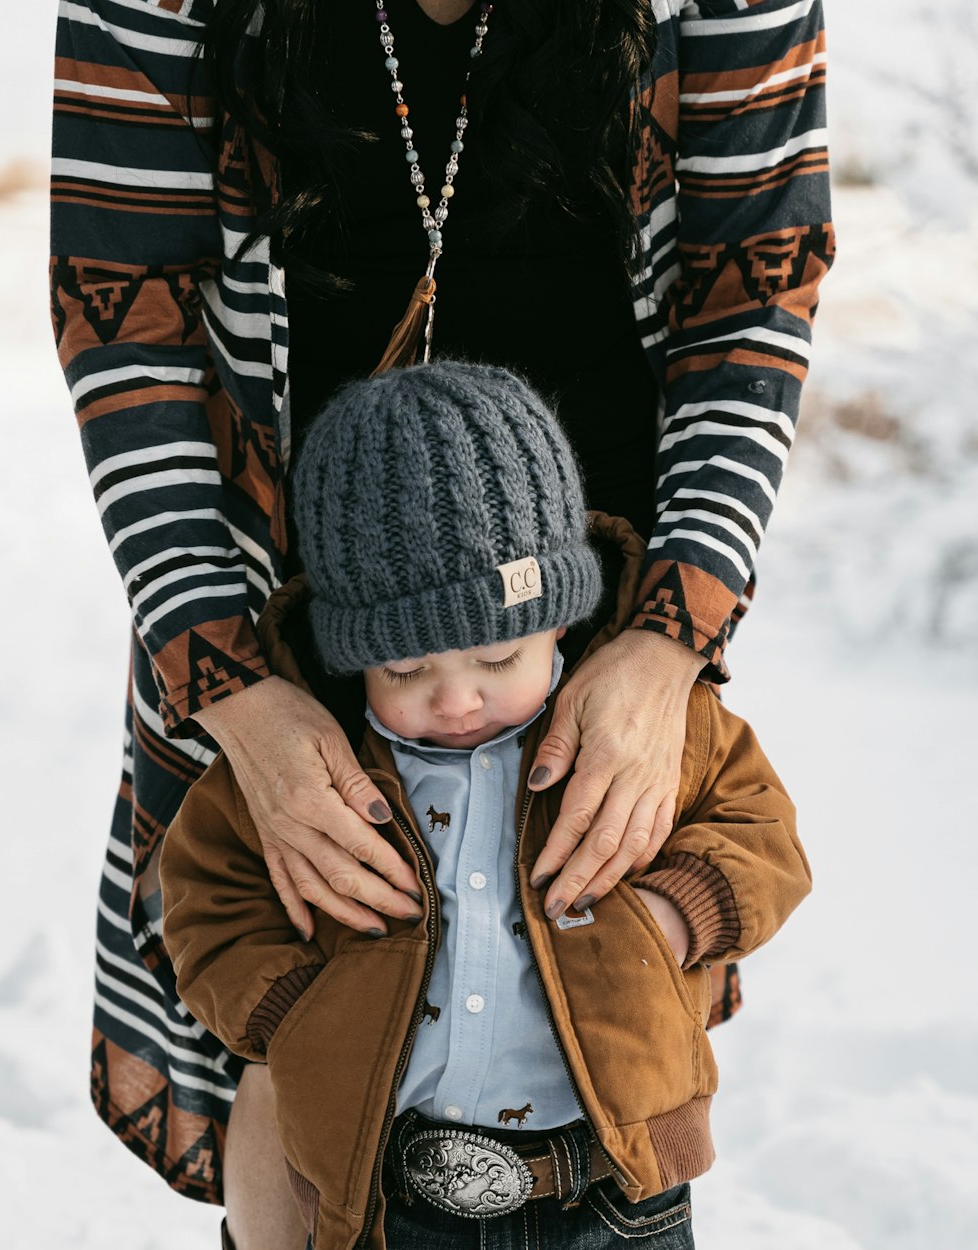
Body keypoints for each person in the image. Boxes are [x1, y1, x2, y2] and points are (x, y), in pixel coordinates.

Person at [50, 0, 833, 1235]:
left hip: (585, 575)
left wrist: (668, 636)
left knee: (584, 996)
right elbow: (122, 305)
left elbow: (755, 288)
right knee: (305, 949)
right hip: (277, 561)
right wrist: (231, 683)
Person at [160, 361, 812, 1250]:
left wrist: (670, 918)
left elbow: (764, 836)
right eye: (405, 671)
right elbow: (206, 897)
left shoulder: (650, 733)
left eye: (497, 661)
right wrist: (296, 1014)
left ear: (559, 624)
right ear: (354, 663)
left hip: (618, 1193)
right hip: (392, 1193)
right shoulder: (313, 770)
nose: (456, 700)